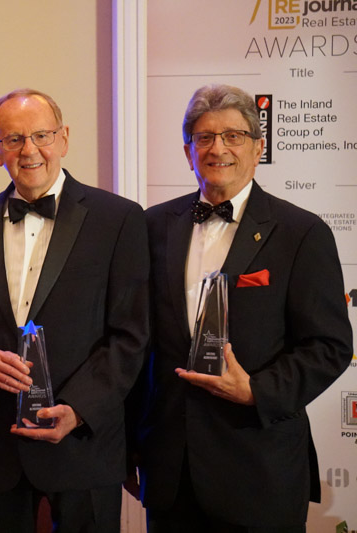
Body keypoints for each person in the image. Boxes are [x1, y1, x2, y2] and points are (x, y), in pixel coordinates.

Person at [129, 84, 352, 532]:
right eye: (205, 137)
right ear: (188, 152)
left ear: (258, 148)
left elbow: (329, 346)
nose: (218, 149)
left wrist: (256, 391)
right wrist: (128, 446)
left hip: (260, 469)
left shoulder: (301, 232)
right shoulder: (150, 226)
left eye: (233, 136)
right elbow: (133, 341)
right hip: (171, 471)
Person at [0, 88, 150, 532]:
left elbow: (131, 333)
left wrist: (79, 408)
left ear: (63, 138)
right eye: (13, 139)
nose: (28, 150)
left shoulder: (119, 219)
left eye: (41, 136)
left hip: (84, 445)